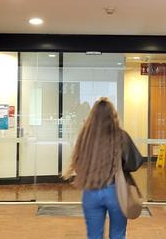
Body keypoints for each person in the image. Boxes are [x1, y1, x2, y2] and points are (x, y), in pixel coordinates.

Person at [63, 97, 142, 239]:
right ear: (113, 116)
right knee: (118, 235)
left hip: (91, 190)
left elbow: (78, 163)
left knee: (94, 236)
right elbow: (135, 162)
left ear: (92, 116)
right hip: (116, 191)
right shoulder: (121, 136)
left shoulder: (85, 136)